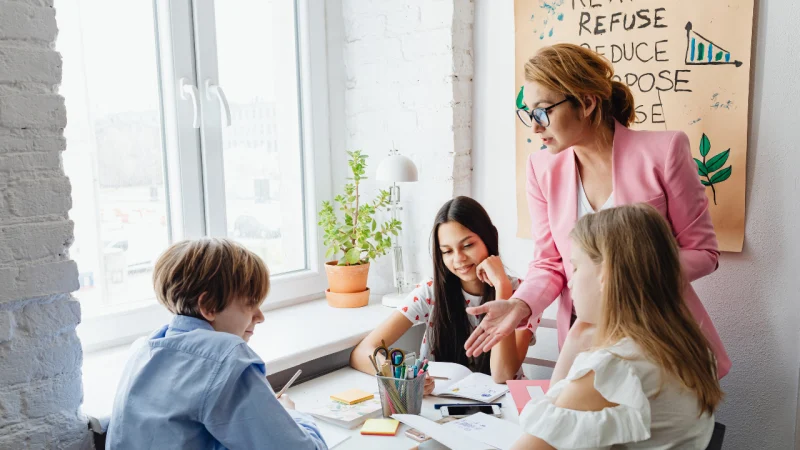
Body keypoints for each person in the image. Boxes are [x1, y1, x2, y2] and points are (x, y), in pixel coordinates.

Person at [464, 43, 730, 381]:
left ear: (587, 103)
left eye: (543, 111)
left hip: (657, 334)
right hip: (585, 338)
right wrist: (521, 304)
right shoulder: (541, 168)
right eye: (529, 113)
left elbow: (704, 252)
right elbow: (549, 262)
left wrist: (625, 275)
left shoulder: (664, 151)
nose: (534, 126)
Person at [511, 204, 723, 450]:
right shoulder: (689, 346)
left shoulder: (613, 369)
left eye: (577, 267)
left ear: (606, 275)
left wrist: (573, 346)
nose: (570, 281)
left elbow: (536, 439)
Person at [105, 238, 327, 449]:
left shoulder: (144, 350)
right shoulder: (226, 358)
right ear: (209, 305)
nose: (260, 316)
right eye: (250, 304)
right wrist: (290, 415)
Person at [350, 196, 537, 390]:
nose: (459, 259)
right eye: (447, 251)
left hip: (504, 407)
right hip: (440, 406)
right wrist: (401, 379)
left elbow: (503, 375)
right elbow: (362, 352)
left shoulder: (524, 296)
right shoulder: (431, 291)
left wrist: (502, 288)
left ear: (489, 238)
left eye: (467, 245)